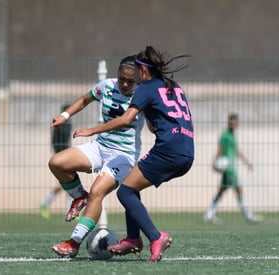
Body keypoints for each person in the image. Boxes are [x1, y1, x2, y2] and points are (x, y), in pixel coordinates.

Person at [73, 46, 194, 262]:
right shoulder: (173, 86)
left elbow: (127, 119)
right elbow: (157, 124)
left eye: (137, 71)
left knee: (125, 192)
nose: (135, 77)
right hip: (187, 150)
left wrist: (91, 130)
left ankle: (156, 237)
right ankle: (132, 239)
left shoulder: (145, 87)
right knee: (131, 184)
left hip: (168, 149)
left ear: (144, 71)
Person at [50, 55, 145, 258]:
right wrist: (64, 117)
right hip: (100, 147)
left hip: (123, 156)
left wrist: (92, 129)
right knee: (57, 162)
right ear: (117, 75)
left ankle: (73, 243)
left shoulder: (143, 95)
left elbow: (127, 122)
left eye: (131, 81)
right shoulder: (107, 86)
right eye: (122, 79)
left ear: (138, 79)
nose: (126, 84)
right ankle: (79, 196)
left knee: (97, 191)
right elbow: (85, 100)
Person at [204, 113, 260, 224]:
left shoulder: (233, 135)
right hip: (229, 168)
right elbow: (220, 148)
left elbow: (236, 150)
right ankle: (247, 215)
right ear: (229, 122)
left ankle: (209, 214)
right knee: (239, 190)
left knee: (221, 191)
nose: (234, 124)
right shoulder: (225, 135)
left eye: (235, 122)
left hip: (230, 167)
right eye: (232, 122)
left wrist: (246, 162)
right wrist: (215, 162)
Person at [40, 104, 72, 220]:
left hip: (65, 155)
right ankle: (47, 203)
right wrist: (59, 156)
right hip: (62, 156)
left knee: (68, 181)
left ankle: (69, 209)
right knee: (69, 180)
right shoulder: (61, 123)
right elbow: (57, 141)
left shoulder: (66, 123)